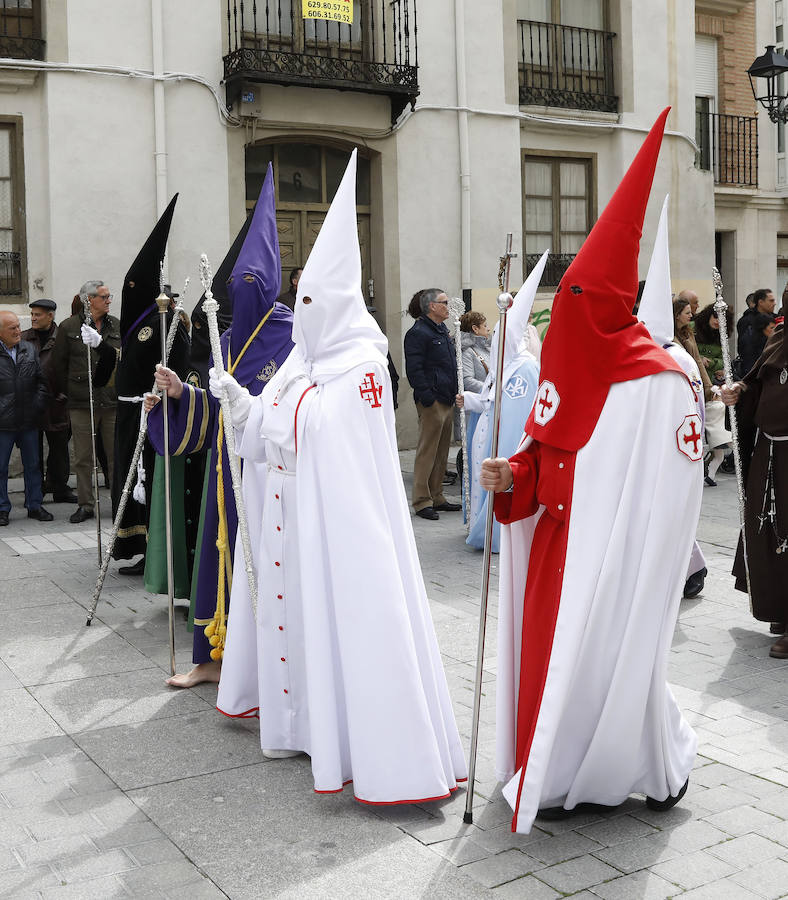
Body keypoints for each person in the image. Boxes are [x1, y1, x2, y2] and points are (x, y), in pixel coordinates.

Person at [209, 149, 466, 803]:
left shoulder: (362, 366)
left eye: (317, 300)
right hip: (291, 521)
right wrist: (239, 403)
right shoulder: (304, 359)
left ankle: (360, 746)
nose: (307, 309)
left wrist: (279, 422)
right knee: (298, 627)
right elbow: (272, 422)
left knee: (341, 629)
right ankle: (302, 726)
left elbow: (330, 438)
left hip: (340, 528)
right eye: (303, 298)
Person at [481, 109, 701, 832]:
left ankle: (627, 766)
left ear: (609, 306)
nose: (566, 307)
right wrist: (512, 477)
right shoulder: (567, 360)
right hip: (557, 553)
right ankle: (548, 771)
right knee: (553, 665)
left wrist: (642, 561)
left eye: (580, 295)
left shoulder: (660, 380)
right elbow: (544, 452)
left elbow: (673, 494)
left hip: (615, 566)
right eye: (564, 293)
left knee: (611, 670)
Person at [145, 165, 294, 688]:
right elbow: (210, 408)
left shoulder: (294, 338)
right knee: (217, 553)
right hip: (223, 472)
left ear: (270, 284)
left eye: (249, 282)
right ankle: (210, 659)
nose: (240, 289)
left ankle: (270, 659)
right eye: (235, 283)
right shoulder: (227, 338)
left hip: (269, 472)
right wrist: (179, 393)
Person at [111, 196, 189, 575]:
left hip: (149, 412)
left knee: (145, 481)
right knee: (127, 480)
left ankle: (154, 550)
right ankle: (134, 545)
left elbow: (176, 364)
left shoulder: (162, 320)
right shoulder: (137, 322)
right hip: (128, 411)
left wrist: (158, 398)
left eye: (132, 285)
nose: (127, 291)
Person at [638, 195, 708, 600]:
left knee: (667, 513)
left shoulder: (674, 358)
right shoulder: (653, 355)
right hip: (649, 446)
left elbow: (689, 409)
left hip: (670, 447)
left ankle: (691, 568)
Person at [458, 252, 546, 553]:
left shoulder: (524, 368)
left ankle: (495, 532)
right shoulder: (504, 367)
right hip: (488, 436)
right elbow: (488, 399)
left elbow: (518, 411)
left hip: (506, 442)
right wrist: (470, 400)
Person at [722, 313, 788, 657]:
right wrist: (738, 391)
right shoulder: (779, 335)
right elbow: (758, 382)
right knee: (769, 528)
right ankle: (779, 606)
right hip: (770, 449)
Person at [50, 281, 121, 524]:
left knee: (115, 456)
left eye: (109, 296)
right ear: (89, 300)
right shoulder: (69, 326)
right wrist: (68, 392)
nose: (109, 300)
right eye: (104, 297)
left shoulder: (116, 325)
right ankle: (86, 504)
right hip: (81, 402)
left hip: (111, 400)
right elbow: (58, 365)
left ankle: (118, 503)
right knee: (83, 457)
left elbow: (122, 358)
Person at [404, 289, 462, 519]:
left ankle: (437, 495)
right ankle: (421, 500)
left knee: (441, 451)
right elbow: (415, 369)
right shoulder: (418, 333)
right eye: (444, 302)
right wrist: (427, 396)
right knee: (427, 450)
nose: (448, 305)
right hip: (433, 400)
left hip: (446, 397)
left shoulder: (441, 329)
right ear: (432, 307)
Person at [20, 299, 75, 504]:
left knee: (59, 449)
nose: (33, 318)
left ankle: (59, 487)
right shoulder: (24, 338)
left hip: (58, 401)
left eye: (38, 314)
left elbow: (73, 367)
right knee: (33, 450)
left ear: (50, 316)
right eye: (32, 314)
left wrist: (66, 394)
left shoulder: (64, 338)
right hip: (31, 404)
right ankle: (36, 490)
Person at [0, 310, 52, 525]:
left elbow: (42, 381)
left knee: (33, 465)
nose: (18, 331)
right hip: (3, 423)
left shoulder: (29, 349)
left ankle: (34, 505)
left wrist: (37, 405)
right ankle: (2, 509)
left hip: (29, 420)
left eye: (18, 327)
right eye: (12, 328)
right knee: (0, 468)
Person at [459, 310, 491, 393]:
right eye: (485, 325)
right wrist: (491, 389)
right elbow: (466, 381)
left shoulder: (486, 347)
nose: (489, 329)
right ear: (475, 329)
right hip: (477, 401)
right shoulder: (466, 350)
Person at [739, 311, 776, 378]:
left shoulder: (767, 340)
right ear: (762, 328)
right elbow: (750, 366)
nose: (774, 331)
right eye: (771, 328)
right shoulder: (750, 342)